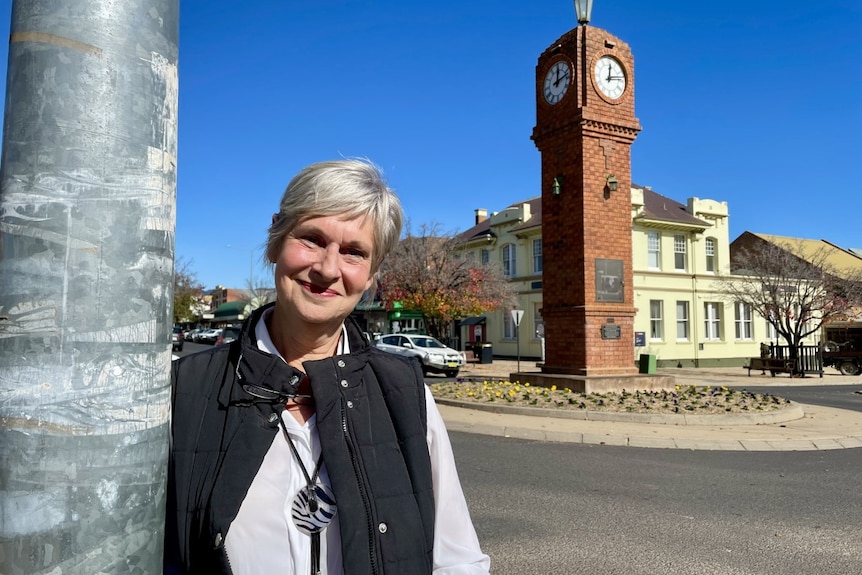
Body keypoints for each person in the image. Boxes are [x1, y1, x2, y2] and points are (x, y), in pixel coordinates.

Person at [165, 159, 490, 575]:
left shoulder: (404, 392)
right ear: (276, 239)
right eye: (313, 240)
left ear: (372, 275)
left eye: (354, 252)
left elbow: (456, 559)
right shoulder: (187, 390)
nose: (327, 269)